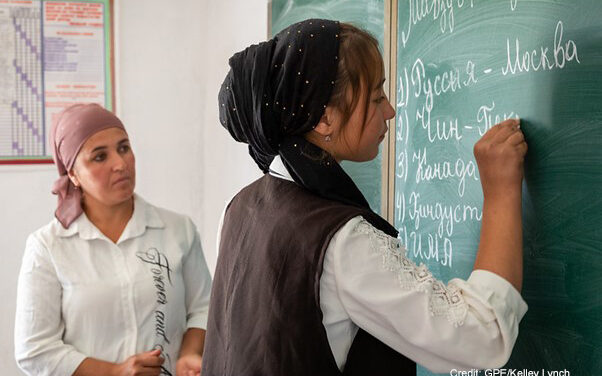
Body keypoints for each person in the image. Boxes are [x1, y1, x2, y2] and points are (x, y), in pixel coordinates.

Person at [202, 19, 528, 376]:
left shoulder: (238, 208)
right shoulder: (341, 241)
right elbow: (483, 337)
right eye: (376, 97)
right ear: (324, 119)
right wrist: (501, 193)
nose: (389, 110)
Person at [14, 104, 212, 376]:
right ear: (73, 174)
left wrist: (189, 353)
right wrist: (115, 371)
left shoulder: (178, 230)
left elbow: (203, 307)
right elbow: (34, 350)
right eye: (99, 157)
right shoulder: (48, 246)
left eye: (123, 148)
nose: (120, 164)